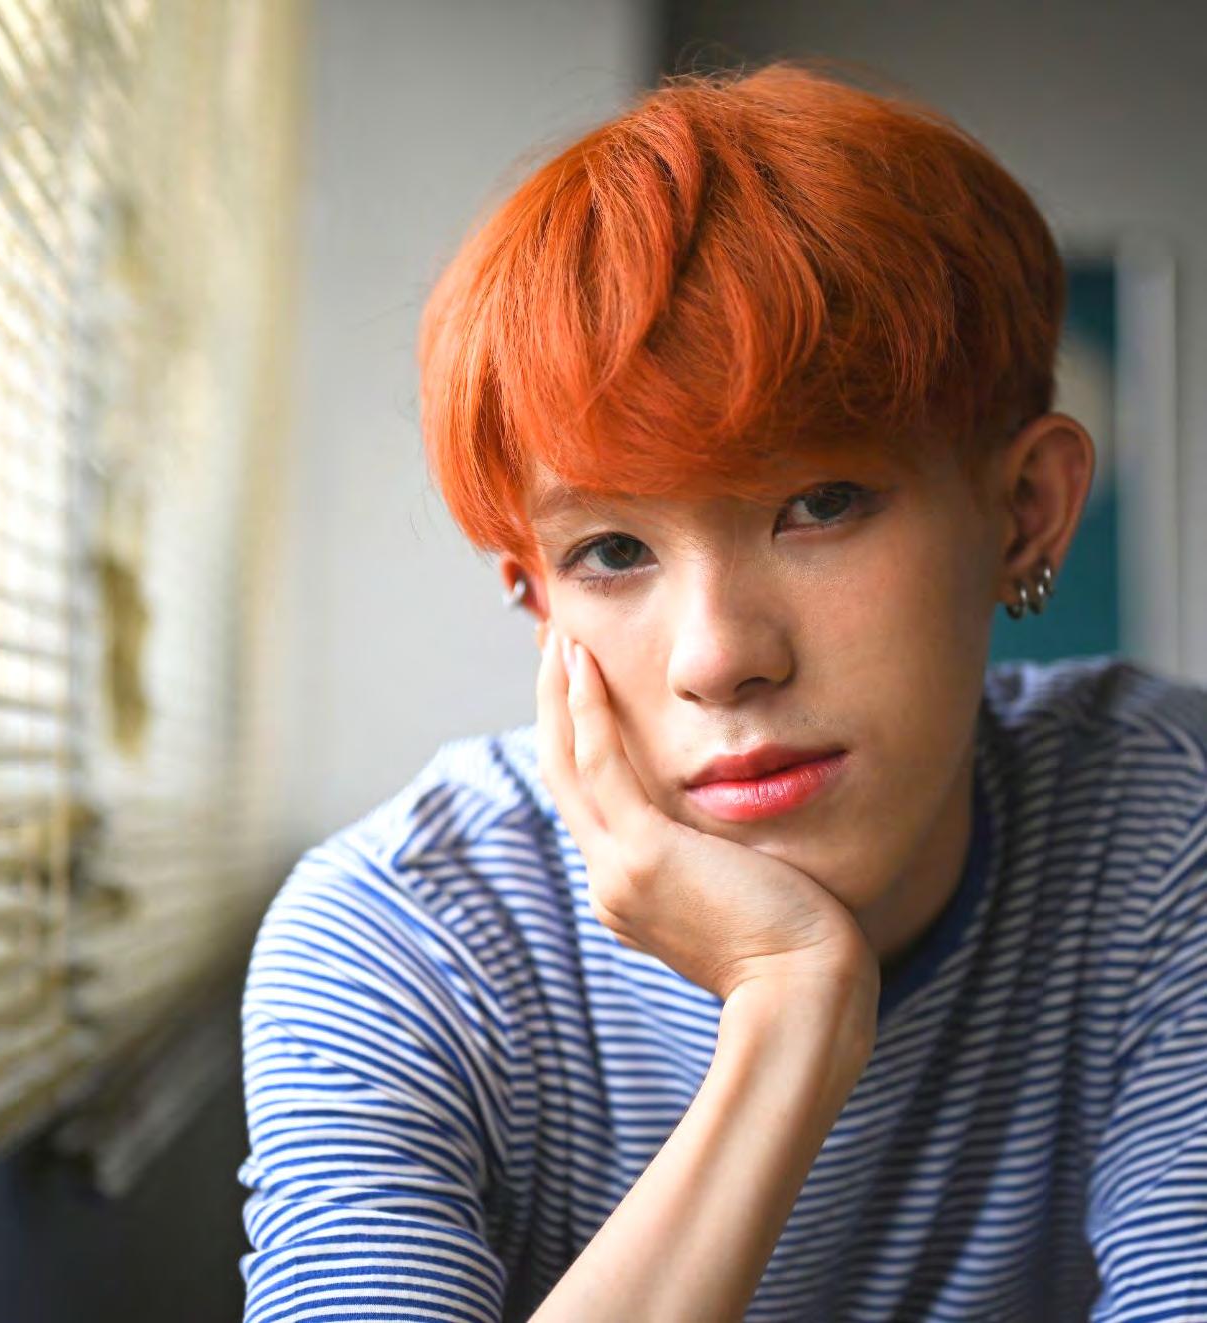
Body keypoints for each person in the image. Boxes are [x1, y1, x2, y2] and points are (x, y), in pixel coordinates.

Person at [237, 61, 1207, 1321]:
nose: (717, 657)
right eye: (610, 552)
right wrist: (790, 1011)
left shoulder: (1166, 834)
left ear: (1024, 510)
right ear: (539, 607)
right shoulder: (404, 937)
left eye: (821, 504)